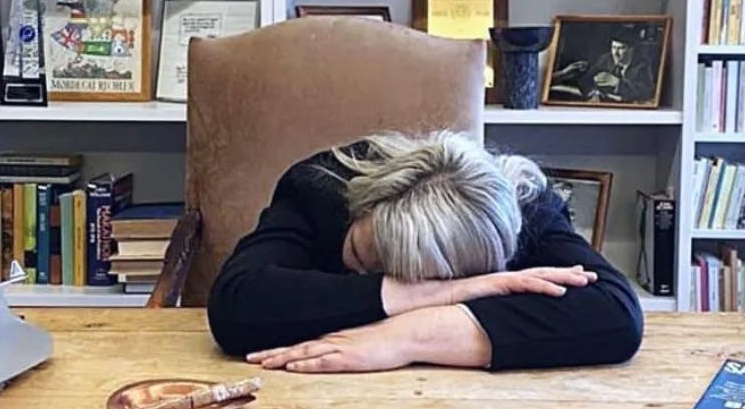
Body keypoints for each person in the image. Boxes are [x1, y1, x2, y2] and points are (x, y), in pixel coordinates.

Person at [206, 131, 644, 374]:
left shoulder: (526, 207)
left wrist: (407, 337)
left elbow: (616, 316)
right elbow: (236, 303)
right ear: (366, 205)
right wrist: (441, 293)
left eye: (416, 277)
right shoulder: (324, 186)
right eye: (360, 254)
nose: (364, 276)